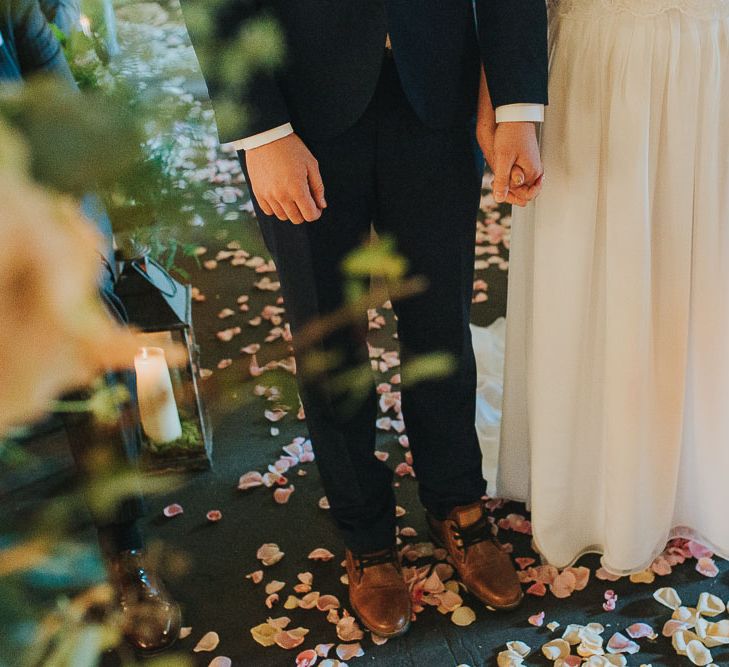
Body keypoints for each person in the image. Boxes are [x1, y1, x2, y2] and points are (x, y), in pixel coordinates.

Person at [182, 0, 547, 637]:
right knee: (329, 336)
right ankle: (366, 533)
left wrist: (516, 105)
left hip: (435, 92)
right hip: (300, 106)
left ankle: (456, 502)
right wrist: (264, 132)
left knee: (442, 321)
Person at [490, 0, 729, 575]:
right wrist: (511, 109)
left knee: (705, 271)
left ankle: (698, 471)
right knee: (596, 269)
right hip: (598, 58)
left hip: (713, 52)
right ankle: (599, 487)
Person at [0, 0, 181, 651]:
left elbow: (69, 140)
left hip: (28, 236)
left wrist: (69, 254)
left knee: (91, 327)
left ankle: (124, 551)